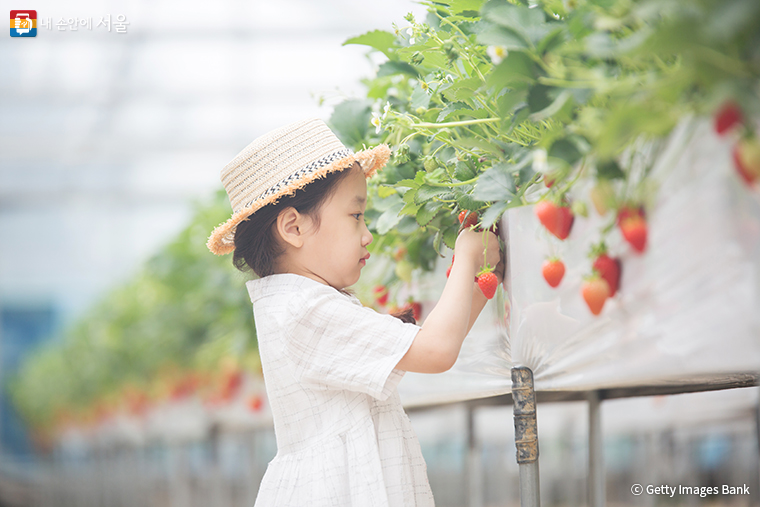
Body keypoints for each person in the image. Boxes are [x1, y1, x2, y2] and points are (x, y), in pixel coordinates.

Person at [207, 118, 503, 506]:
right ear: (293, 227)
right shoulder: (304, 310)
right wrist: (466, 257)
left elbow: (435, 343)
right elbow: (437, 352)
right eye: (355, 215)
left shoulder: (302, 304)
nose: (367, 234)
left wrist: (484, 274)